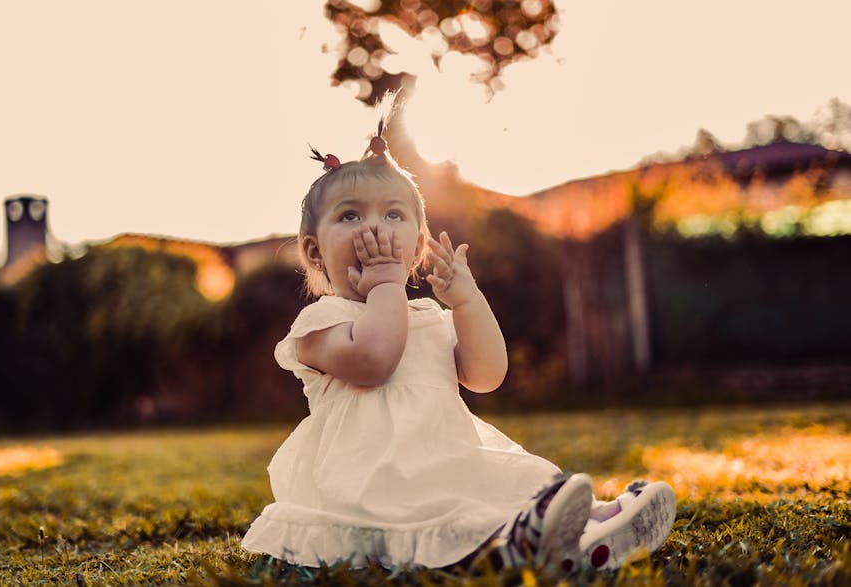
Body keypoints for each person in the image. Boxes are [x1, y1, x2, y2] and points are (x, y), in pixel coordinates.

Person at [240, 119, 676, 574]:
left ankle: (595, 525)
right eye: (350, 215)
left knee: (501, 491)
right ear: (313, 252)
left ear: (418, 246)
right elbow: (374, 362)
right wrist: (387, 286)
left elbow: (486, 376)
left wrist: (468, 303)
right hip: (375, 484)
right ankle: (523, 543)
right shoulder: (322, 323)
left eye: (393, 215)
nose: (375, 227)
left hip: (447, 461)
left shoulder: (429, 319)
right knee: (457, 519)